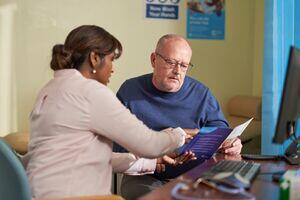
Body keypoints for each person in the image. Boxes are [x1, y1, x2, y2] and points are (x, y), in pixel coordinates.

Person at [22, 26, 188, 199]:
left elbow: (88, 157)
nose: (112, 69)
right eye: (111, 60)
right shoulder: (89, 92)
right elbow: (150, 145)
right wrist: (179, 134)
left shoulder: (50, 88)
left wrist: (150, 164)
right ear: (94, 58)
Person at [114, 34, 243, 199]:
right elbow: (116, 146)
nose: (177, 71)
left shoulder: (201, 93)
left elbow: (221, 132)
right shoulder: (130, 90)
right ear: (154, 60)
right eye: (171, 62)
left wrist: (232, 143)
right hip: (146, 174)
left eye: (184, 65)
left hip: (195, 175)